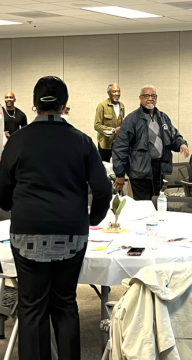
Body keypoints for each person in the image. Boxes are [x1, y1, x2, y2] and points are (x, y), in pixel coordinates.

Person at [0, 76, 112, 359]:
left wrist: (16, 206)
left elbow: (2, 193)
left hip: (27, 232)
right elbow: (102, 190)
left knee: (31, 306)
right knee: (65, 303)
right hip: (71, 232)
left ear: (35, 105)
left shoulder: (17, 142)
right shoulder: (83, 141)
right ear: (65, 105)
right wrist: (91, 220)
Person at [112, 85, 189, 200]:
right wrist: (120, 174)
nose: (150, 98)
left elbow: (174, 136)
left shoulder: (163, 117)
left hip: (159, 169)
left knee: (157, 202)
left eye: (153, 95)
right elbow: (120, 148)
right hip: (139, 170)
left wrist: (181, 144)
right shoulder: (132, 119)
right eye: (146, 96)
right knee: (144, 206)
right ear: (140, 98)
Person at [94, 84, 125, 162]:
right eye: (114, 91)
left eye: (118, 91)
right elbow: (97, 126)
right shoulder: (102, 106)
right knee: (104, 167)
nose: (117, 94)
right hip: (105, 144)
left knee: (118, 166)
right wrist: (113, 130)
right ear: (108, 93)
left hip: (118, 143)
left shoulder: (122, 106)